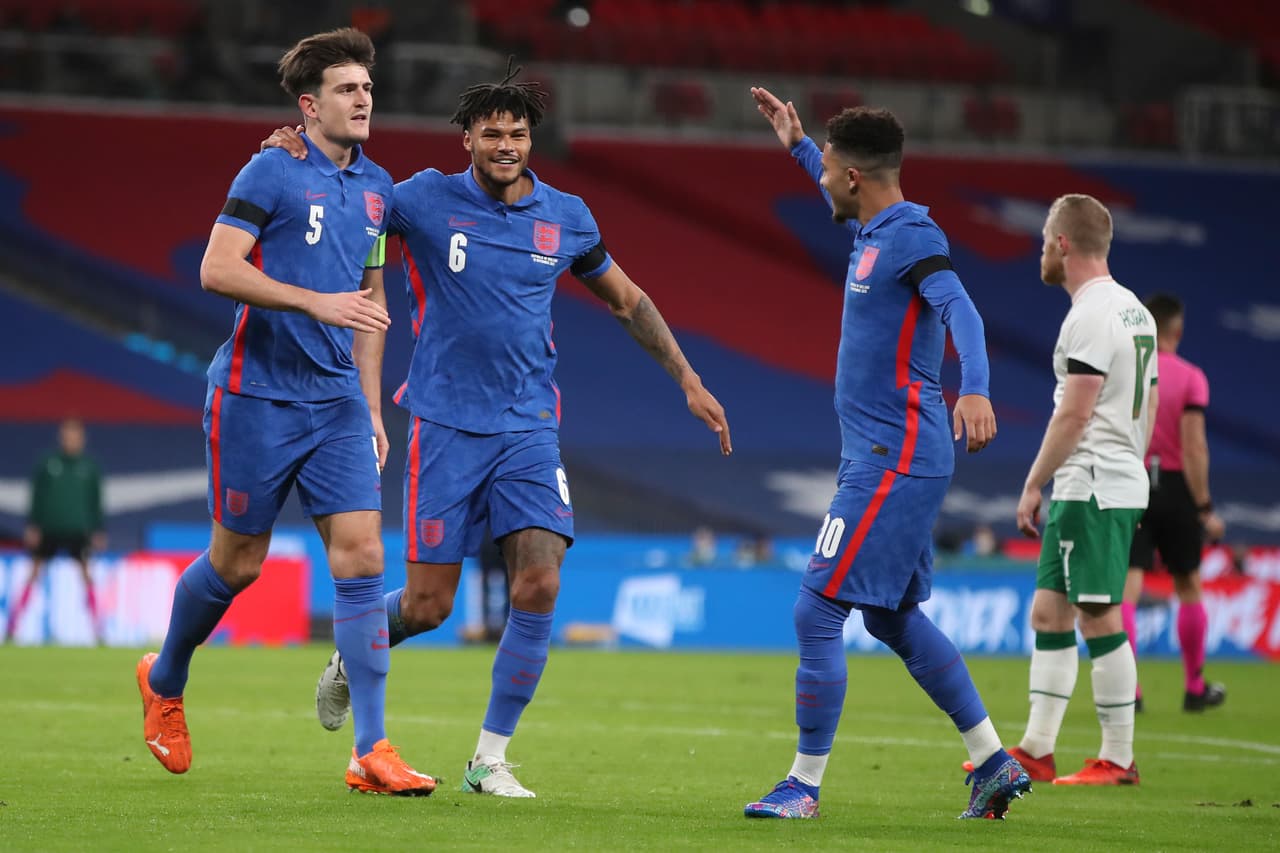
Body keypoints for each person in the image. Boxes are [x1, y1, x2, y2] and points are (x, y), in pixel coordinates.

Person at [266, 64, 731, 798]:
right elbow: (345, 197)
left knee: (541, 578)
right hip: (445, 423)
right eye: (493, 132)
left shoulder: (567, 216)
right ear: (469, 139)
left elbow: (628, 299)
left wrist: (688, 378)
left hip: (528, 427)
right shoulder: (423, 197)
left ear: (529, 140)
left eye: (517, 133)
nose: (506, 143)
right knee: (429, 605)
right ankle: (351, 656)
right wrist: (292, 155)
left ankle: (489, 757)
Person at [135, 28, 435, 796]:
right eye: (346, 88)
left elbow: (370, 304)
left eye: (368, 87)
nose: (363, 98)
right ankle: (164, 676)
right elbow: (215, 267)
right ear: (309, 105)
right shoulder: (270, 170)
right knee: (239, 562)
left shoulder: (379, 189)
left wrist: (371, 408)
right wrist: (312, 300)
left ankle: (371, 748)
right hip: (255, 396)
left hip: (336, 403)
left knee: (364, 557)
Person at [743, 87, 1029, 821]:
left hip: (894, 454)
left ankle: (803, 785)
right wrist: (800, 144)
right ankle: (995, 761)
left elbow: (959, 304)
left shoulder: (909, 236)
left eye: (828, 169)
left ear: (855, 180)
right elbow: (836, 178)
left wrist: (976, 387)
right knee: (893, 617)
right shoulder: (873, 228)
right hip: (887, 451)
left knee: (817, 609)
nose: (823, 179)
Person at [1011, 193, 1157, 787]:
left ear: (1063, 244)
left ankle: (1118, 758)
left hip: (1093, 482)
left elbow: (1074, 414)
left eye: (1046, 240)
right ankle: (1036, 749)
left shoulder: (1091, 315)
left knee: (1097, 614)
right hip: (1100, 479)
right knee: (1050, 610)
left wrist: (1032, 482)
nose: (1042, 251)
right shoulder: (1133, 310)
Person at [1123, 293, 1226, 712]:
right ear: (1177, 331)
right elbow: (1195, 445)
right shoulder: (1191, 377)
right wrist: (1203, 506)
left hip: (1132, 481)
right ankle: (1194, 688)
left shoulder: (1130, 372)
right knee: (1188, 586)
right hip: (1178, 486)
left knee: (1126, 591)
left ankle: (1129, 693)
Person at [7, 418, 105, 644]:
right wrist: (33, 525)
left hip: (78, 531)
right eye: (68, 435)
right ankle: (12, 627)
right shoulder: (48, 463)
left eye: (76, 435)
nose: (71, 439)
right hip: (49, 528)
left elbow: (96, 501)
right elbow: (36, 496)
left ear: (82, 438)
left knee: (87, 577)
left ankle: (99, 631)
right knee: (33, 573)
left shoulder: (89, 467)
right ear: (61, 437)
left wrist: (98, 529)